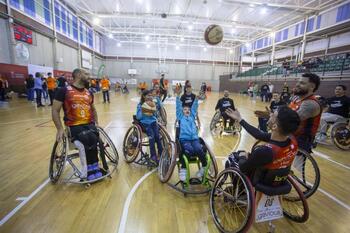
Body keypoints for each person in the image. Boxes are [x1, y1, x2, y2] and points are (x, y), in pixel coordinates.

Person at [225, 106, 300, 187]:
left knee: (232, 157)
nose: (269, 115)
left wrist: (242, 156)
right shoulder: (292, 141)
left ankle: (239, 189)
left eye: (273, 115)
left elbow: (243, 167)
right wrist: (240, 119)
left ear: (275, 127)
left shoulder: (264, 151)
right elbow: (259, 134)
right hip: (278, 178)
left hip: (261, 181)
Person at [52, 68, 102, 181]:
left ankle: (95, 166)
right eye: (86, 74)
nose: (89, 76)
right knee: (85, 140)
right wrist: (59, 129)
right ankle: (87, 170)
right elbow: (55, 111)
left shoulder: (89, 92)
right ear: (78, 75)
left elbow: (93, 110)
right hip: (74, 126)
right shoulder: (64, 91)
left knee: (94, 139)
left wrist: (97, 122)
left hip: (89, 124)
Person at [174, 86, 206, 181]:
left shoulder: (192, 116)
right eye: (184, 109)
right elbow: (178, 107)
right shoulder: (180, 117)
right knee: (188, 150)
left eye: (188, 109)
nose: (186, 110)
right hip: (184, 139)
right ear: (182, 112)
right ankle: (183, 170)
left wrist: (196, 99)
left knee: (199, 149)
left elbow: (194, 107)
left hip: (194, 138)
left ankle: (203, 167)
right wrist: (178, 96)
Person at [289, 73, 321, 152]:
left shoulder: (311, 104)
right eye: (298, 82)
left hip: (301, 140)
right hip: (290, 135)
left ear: (312, 87)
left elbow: (291, 119)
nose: (297, 85)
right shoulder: (296, 99)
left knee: (296, 164)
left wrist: (272, 116)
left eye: (302, 83)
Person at [136, 90, 163, 163]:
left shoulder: (152, 104)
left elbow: (155, 115)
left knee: (157, 136)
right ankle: (153, 156)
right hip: (145, 123)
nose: (149, 97)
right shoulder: (140, 105)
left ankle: (161, 152)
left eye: (150, 95)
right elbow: (138, 117)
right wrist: (143, 109)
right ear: (144, 96)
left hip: (153, 122)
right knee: (152, 137)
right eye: (148, 95)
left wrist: (153, 111)